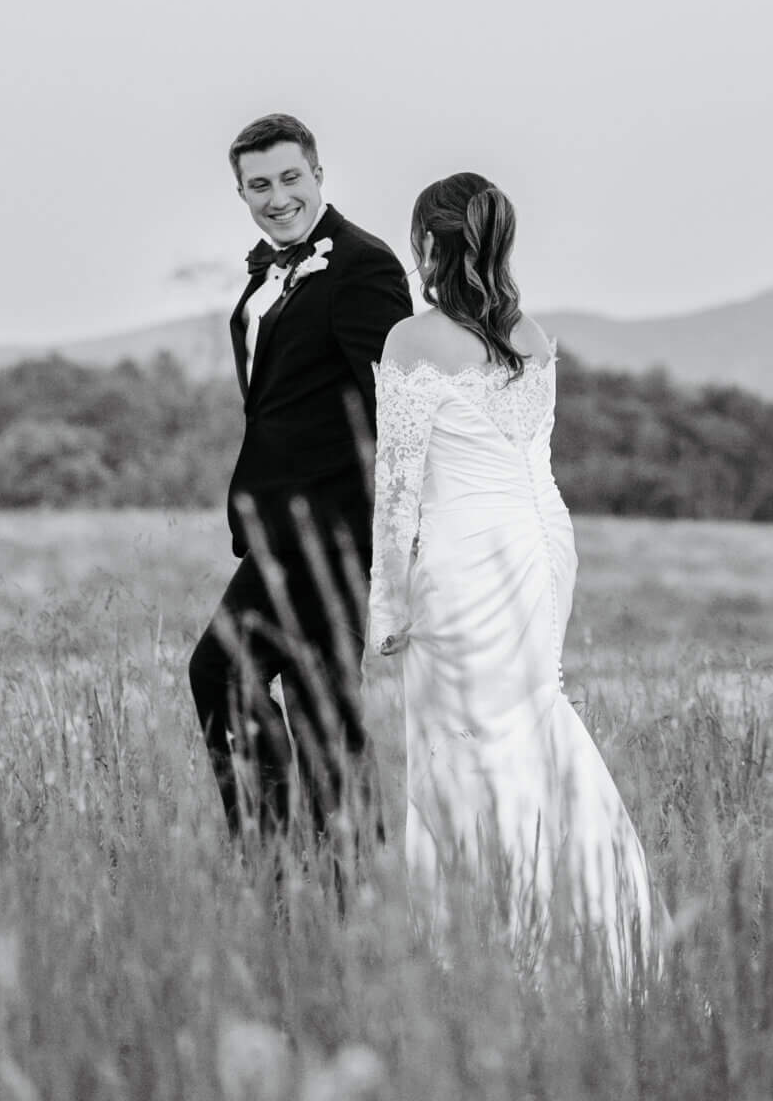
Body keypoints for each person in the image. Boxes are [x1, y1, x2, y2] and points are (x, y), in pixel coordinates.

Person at [367, 171, 653, 965]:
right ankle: (593, 930)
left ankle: (487, 941)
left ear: (428, 242)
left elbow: (397, 486)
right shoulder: (533, 335)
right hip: (542, 546)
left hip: (465, 554)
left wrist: (386, 606)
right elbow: (541, 465)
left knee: (466, 740)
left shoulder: (411, 341)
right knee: (531, 717)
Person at [189, 112, 412, 844]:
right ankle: (337, 890)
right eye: (258, 185)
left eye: (289, 178)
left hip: (334, 534)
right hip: (277, 531)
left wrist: (392, 547)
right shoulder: (267, 275)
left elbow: (395, 415)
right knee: (323, 715)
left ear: (318, 174)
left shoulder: (362, 266)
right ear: (241, 191)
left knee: (222, 674)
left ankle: (282, 862)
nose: (276, 196)